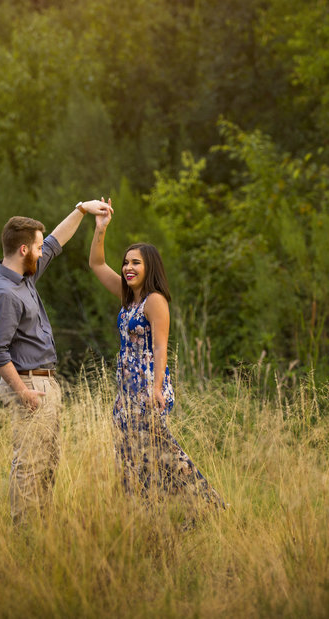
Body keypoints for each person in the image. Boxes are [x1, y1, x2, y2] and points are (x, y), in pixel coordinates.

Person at [88, 199, 224, 510]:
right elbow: (97, 264)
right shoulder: (128, 299)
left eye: (135, 262)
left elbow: (161, 346)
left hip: (149, 387)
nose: (127, 268)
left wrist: (158, 388)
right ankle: (141, 511)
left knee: (163, 454)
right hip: (126, 391)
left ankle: (207, 505)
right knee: (129, 454)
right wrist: (101, 229)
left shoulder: (154, 301)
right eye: (125, 263)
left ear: (149, 266)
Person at [0, 199, 112, 524]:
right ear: (24, 249)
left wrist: (82, 210)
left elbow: (55, 241)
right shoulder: (4, 294)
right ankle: (25, 533)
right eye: (37, 248)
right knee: (29, 464)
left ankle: (41, 527)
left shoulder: (24, 275)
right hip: (26, 383)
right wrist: (23, 392)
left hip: (44, 381)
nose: (43, 253)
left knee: (47, 462)